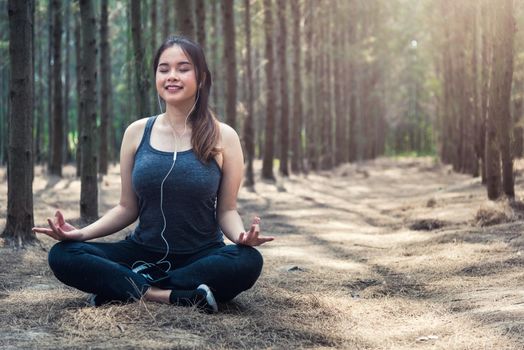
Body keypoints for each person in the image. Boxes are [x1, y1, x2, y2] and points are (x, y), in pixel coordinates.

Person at [32, 36, 274, 313]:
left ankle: (126, 288)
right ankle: (175, 295)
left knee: (248, 261)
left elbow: (226, 211)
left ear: (202, 77)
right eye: (164, 69)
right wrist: (81, 234)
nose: (172, 76)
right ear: (156, 76)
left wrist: (241, 237)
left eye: (183, 68)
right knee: (63, 254)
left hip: (201, 255)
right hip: (141, 253)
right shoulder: (136, 133)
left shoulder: (224, 136)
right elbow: (126, 207)